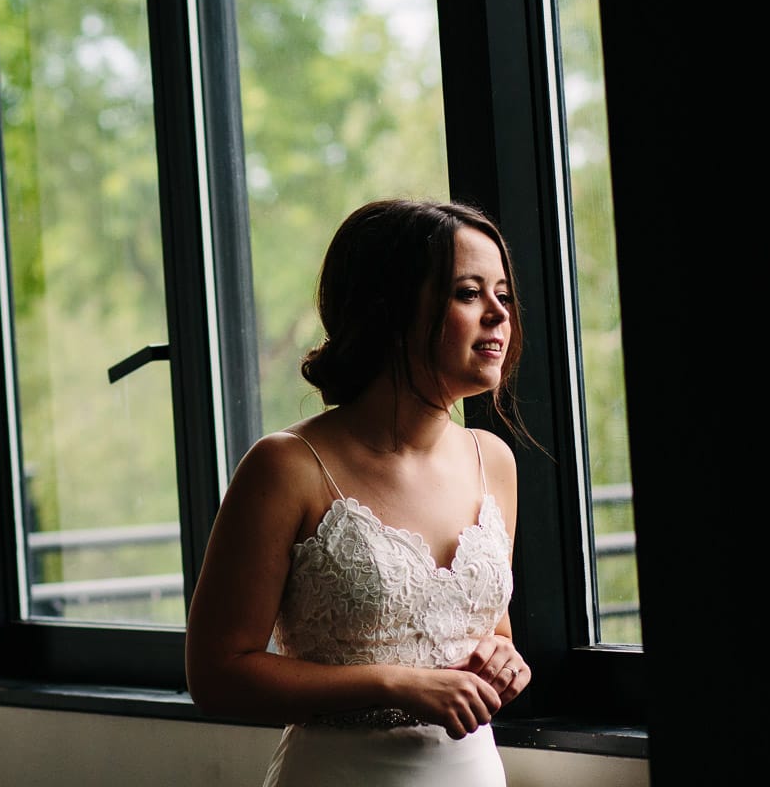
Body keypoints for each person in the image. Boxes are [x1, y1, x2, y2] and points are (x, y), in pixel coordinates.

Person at [185, 198, 533, 786]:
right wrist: (394, 682)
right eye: (468, 293)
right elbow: (217, 676)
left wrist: (505, 658)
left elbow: (489, 628)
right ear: (390, 311)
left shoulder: (491, 460)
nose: (499, 315)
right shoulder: (287, 467)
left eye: (503, 293)